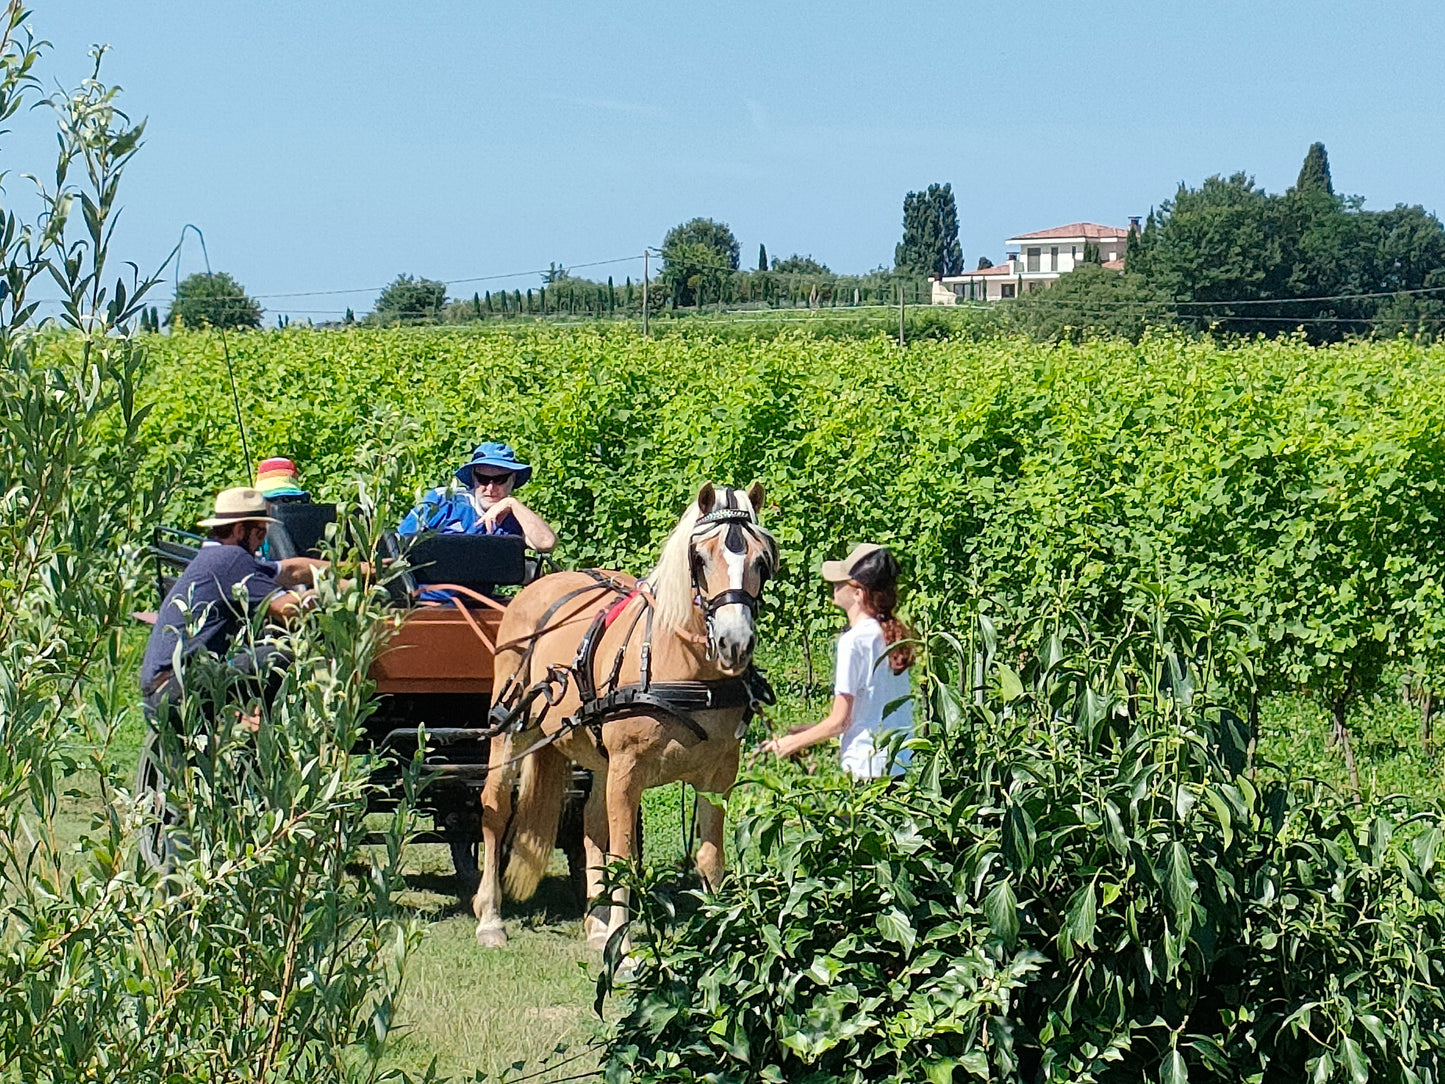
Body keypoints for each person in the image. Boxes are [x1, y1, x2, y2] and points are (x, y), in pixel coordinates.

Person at [139, 487, 326, 725]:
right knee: (279, 657)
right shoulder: (232, 560)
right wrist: (331, 594)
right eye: (260, 533)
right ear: (240, 530)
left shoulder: (215, 558)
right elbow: (288, 609)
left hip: (161, 691)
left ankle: (246, 725)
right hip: (179, 691)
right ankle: (266, 732)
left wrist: (357, 571)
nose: (261, 543)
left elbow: (292, 570)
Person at [761, 543, 916, 780]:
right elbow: (869, 709)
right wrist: (810, 731)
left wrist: (791, 743)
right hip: (898, 765)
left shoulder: (853, 641)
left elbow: (839, 722)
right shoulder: (892, 635)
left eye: (842, 581)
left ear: (858, 593)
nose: (835, 585)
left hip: (865, 767)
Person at [398, 441, 556, 552]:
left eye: (500, 479)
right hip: (424, 598)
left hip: (483, 599)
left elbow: (546, 543)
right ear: (473, 478)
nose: (490, 487)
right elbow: (398, 544)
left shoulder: (515, 518)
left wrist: (512, 503)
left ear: (513, 479)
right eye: (483, 479)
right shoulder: (442, 501)